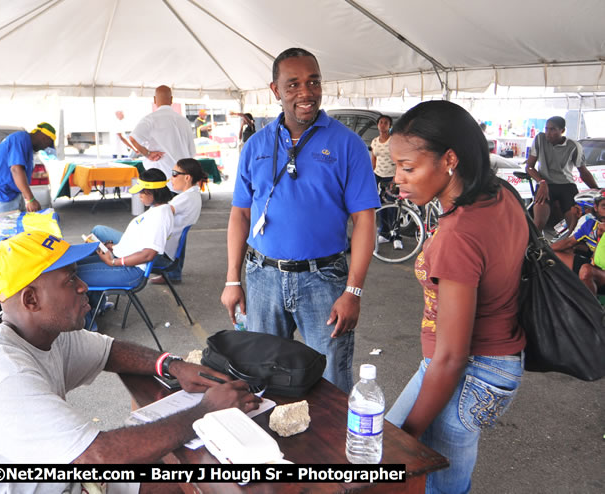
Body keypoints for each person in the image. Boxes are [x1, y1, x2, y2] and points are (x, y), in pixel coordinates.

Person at [0, 230, 259, 493]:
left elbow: (108, 351)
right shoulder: (2, 374)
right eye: (70, 281)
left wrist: (172, 365)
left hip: (60, 476)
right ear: (31, 299)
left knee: (168, 482)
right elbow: (98, 457)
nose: (84, 287)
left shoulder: (39, 332)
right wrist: (205, 412)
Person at [384, 100, 527, 494]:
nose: (398, 179)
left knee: (413, 476)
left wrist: (406, 443)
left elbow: (451, 358)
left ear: (449, 159)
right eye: (396, 166)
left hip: (469, 372)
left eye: (408, 167)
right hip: (496, 365)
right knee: (445, 481)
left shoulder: (458, 236)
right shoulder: (500, 194)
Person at [220, 47, 380, 393]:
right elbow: (241, 214)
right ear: (275, 90)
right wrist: (233, 280)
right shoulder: (256, 145)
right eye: (292, 85)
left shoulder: (348, 144)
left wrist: (353, 290)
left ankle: (332, 447)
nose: (306, 93)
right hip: (262, 278)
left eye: (313, 82)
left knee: (331, 378)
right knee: (259, 375)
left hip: (323, 279)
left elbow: (365, 220)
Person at [78, 169, 175, 322]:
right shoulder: (156, 210)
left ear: (152, 192)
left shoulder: (161, 216)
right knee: (76, 263)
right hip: (122, 259)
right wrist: (113, 247)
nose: (139, 195)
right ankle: (98, 306)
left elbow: (148, 255)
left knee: (75, 276)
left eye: (142, 192)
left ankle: (89, 323)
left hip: (131, 271)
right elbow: (139, 241)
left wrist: (113, 262)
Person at [526, 116, 598, 233]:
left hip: (566, 186)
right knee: (538, 224)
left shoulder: (574, 146)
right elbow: (529, 167)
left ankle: (568, 247)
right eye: (546, 129)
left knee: (574, 227)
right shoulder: (540, 139)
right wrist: (542, 182)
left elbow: (583, 172)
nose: (548, 133)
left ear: (562, 131)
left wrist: (596, 189)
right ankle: (533, 248)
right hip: (545, 185)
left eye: (552, 129)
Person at [0, 123, 56, 218]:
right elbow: (16, 169)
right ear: (45, 139)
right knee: (5, 231)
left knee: (17, 230)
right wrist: (30, 199)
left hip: (9, 195)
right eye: (47, 145)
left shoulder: (26, 144)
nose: (44, 148)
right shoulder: (20, 138)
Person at [127, 86, 196, 190]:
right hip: (183, 180)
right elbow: (192, 152)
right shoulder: (184, 121)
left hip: (159, 179)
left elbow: (133, 138)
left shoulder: (150, 119)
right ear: (171, 99)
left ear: (155, 100)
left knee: (161, 206)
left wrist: (148, 154)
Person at [150, 158, 206, 285]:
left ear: (187, 178)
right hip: (169, 249)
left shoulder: (185, 198)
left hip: (162, 252)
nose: (171, 178)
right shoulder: (192, 195)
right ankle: (173, 274)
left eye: (175, 174)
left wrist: (152, 198)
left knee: (100, 232)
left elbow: (160, 214)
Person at [551, 194, 605, 293]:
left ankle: (591, 307)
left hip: (599, 270)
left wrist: (601, 238)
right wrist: (541, 250)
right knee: (553, 257)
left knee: (586, 270)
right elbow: (568, 243)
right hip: (596, 269)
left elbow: (600, 259)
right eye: (604, 206)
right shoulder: (590, 224)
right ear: (596, 208)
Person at [370, 115, 401, 249]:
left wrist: (395, 179)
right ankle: (384, 233)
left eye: (386, 123)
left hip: (392, 177)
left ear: (390, 126)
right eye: (381, 123)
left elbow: (399, 161)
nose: (383, 125)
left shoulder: (394, 141)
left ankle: (396, 236)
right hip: (378, 177)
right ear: (377, 125)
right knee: (381, 206)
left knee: (393, 207)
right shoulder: (375, 141)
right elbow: (374, 159)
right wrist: (371, 175)